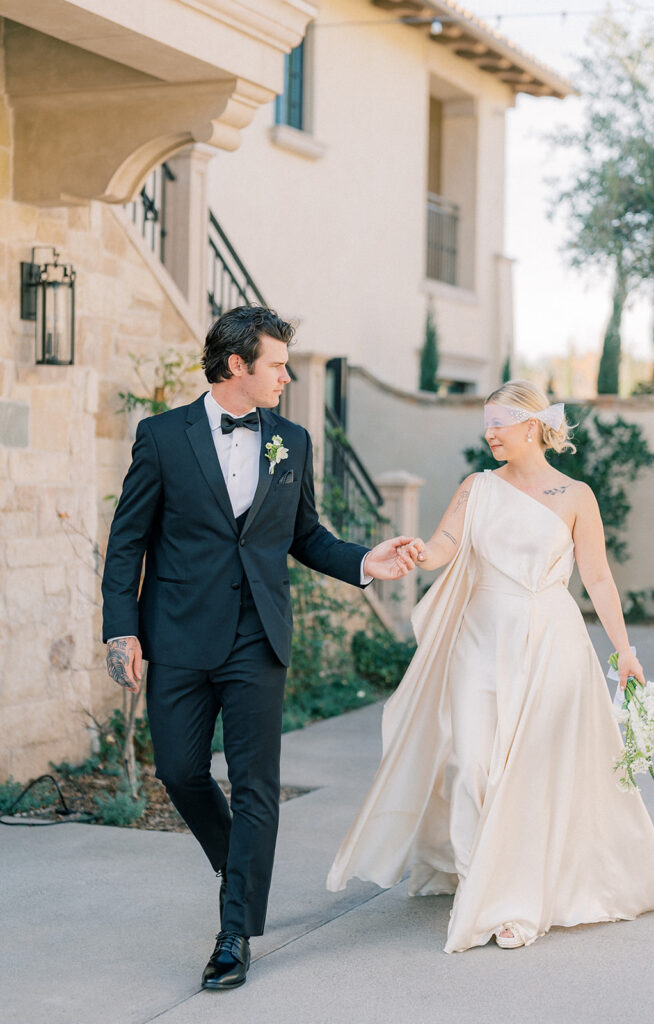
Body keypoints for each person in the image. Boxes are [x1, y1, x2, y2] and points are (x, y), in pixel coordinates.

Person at [102, 305, 417, 990]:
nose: (286, 377)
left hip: (257, 638)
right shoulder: (161, 438)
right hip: (180, 634)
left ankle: (234, 931)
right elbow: (128, 541)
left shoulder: (292, 441)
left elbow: (305, 535)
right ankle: (238, 866)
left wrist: (368, 562)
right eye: (276, 365)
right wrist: (120, 628)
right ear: (237, 365)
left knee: (256, 787)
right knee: (180, 772)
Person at [327, 379, 654, 953]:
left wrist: (625, 650)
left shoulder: (576, 496)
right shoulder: (476, 489)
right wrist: (418, 554)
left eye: (498, 423)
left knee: (531, 773)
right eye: (485, 425)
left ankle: (507, 899)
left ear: (531, 426)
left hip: (552, 642)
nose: (489, 434)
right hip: (480, 637)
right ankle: (482, 882)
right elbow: (445, 546)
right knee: (471, 764)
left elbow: (597, 576)